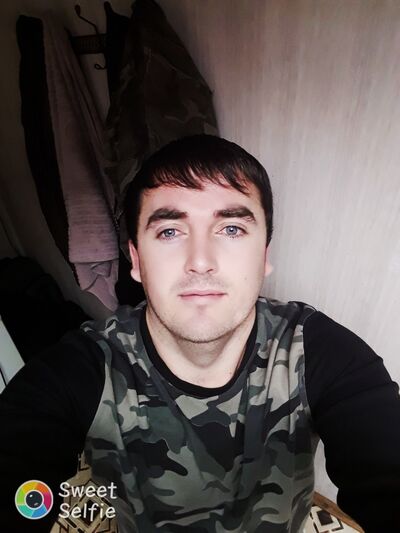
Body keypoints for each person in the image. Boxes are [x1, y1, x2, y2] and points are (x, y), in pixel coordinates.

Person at [1, 134, 400, 533]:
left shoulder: (316, 351)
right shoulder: (87, 366)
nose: (201, 261)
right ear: (136, 260)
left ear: (264, 256)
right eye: (170, 232)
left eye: (231, 229)